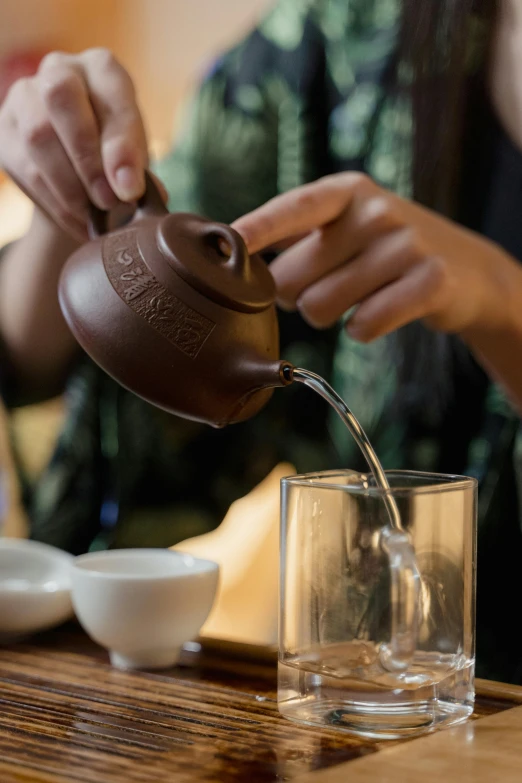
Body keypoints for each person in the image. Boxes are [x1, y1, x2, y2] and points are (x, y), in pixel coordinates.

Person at [0, 0, 521, 682]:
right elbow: (32, 357)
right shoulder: (341, 43)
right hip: (365, 701)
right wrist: (71, 193)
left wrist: (505, 306)